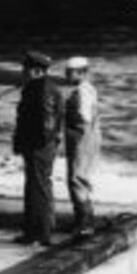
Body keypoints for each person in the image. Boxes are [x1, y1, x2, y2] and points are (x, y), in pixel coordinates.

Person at [12, 51, 65, 247]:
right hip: (44, 146)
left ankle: (37, 233)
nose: (23, 73)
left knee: (37, 188)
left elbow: (46, 123)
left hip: (38, 146)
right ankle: (39, 230)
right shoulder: (48, 87)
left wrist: (32, 144)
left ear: (35, 70)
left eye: (25, 70)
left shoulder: (39, 88)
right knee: (41, 187)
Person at [63, 56, 101, 236]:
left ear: (82, 73)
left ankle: (85, 223)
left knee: (76, 178)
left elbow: (83, 117)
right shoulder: (90, 89)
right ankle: (87, 220)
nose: (66, 75)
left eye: (69, 72)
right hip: (90, 136)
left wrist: (63, 114)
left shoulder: (81, 92)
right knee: (81, 177)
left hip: (81, 137)